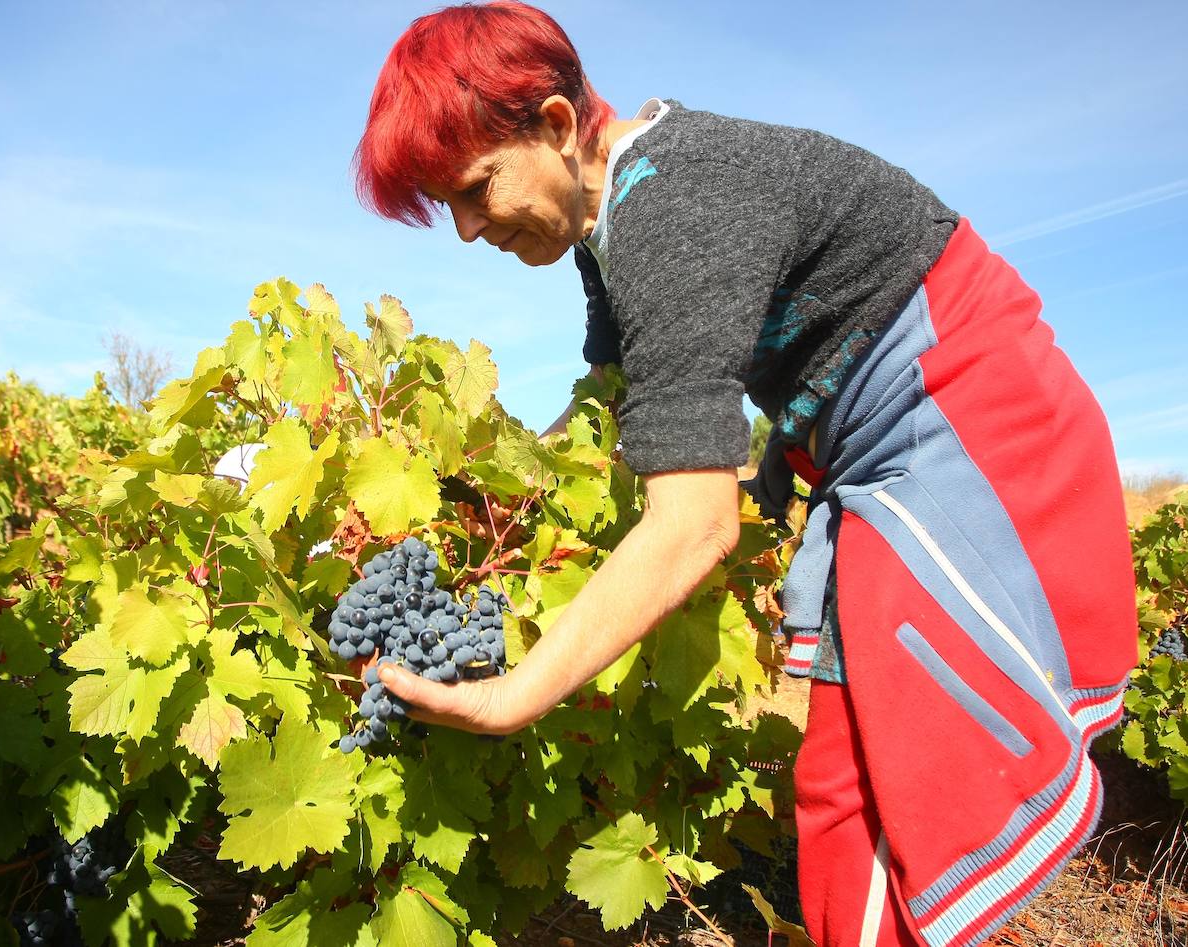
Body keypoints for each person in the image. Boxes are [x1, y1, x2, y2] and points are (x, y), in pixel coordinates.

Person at [349, 3, 1138, 945]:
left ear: (557, 127)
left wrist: (508, 695)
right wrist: (475, 491)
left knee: (895, 788)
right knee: (847, 788)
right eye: (450, 207)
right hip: (881, 443)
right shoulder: (613, 217)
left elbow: (693, 523)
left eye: (476, 187)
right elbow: (610, 393)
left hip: (971, 419)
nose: (469, 229)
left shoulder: (674, 206)